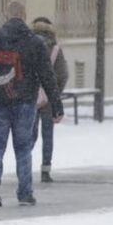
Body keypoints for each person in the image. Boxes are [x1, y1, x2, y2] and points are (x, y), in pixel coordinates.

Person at [0, 0, 64, 207]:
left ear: (6, 15)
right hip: (24, 102)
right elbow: (47, 75)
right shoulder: (34, 42)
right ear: (24, 16)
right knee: (23, 148)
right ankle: (24, 192)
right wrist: (56, 105)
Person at [30, 16, 69, 183]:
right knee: (48, 135)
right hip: (48, 98)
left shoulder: (27, 46)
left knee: (29, 134)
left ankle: (24, 165)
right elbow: (63, 74)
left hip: (29, 97)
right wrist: (54, 93)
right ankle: (46, 170)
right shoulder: (55, 49)